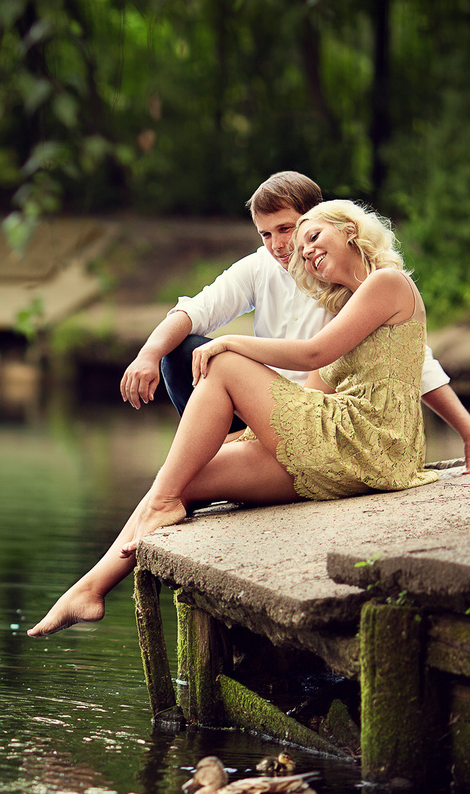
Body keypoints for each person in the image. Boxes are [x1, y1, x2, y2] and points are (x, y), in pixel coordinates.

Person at [29, 199, 446, 637]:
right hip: (344, 451)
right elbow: (315, 389)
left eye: (313, 237)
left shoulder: (387, 283)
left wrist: (230, 344)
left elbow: (313, 354)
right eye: (301, 249)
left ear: (349, 229)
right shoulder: (343, 303)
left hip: (369, 441)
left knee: (223, 365)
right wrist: (249, 436)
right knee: (188, 476)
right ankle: (91, 589)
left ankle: (160, 507)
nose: (305, 252)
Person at [119, 172, 470, 473]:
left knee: (219, 364)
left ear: (315, 219)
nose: (279, 245)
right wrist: (148, 354)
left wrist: (469, 432)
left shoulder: (343, 274)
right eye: (265, 234)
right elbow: (193, 309)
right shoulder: (259, 267)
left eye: (287, 230)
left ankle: (218, 462)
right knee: (181, 350)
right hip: (253, 400)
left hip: (319, 410)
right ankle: (213, 453)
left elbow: (413, 358)